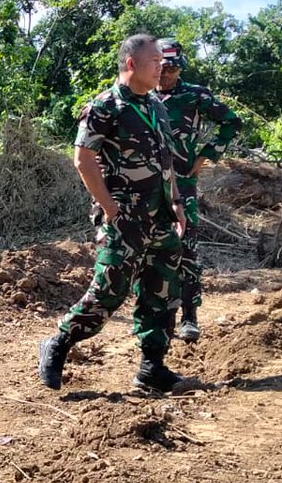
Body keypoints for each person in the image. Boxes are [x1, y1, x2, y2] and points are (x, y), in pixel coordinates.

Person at [37, 34, 187, 394]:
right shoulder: (105, 107)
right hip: (125, 220)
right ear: (132, 64)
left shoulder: (156, 106)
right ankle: (58, 343)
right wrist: (110, 208)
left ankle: (152, 367)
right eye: (154, 61)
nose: (161, 67)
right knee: (108, 290)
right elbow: (83, 159)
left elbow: (166, 162)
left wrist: (178, 203)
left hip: (161, 218)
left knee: (162, 292)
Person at [155, 38, 241, 343]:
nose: (165, 74)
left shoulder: (194, 95)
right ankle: (161, 318)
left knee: (186, 248)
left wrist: (207, 154)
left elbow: (231, 122)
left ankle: (189, 316)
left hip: (184, 183)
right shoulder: (139, 96)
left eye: (172, 69)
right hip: (149, 187)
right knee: (154, 254)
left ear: (180, 68)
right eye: (161, 68)